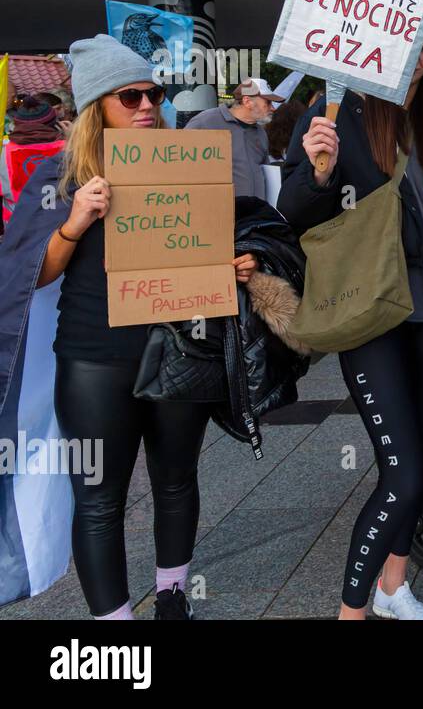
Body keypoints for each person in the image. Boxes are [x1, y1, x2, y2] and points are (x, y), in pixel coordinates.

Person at [14, 35, 258, 619]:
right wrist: (75, 222)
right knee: (98, 500)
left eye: (155, 93)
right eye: (131, 96)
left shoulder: (184, 164)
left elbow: (205, 246)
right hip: (94, 358)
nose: (148, 105)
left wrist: (234, 265)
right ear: (98, 104)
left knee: (176, 480)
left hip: (179, 347)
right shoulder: (59, 173)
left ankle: (173, 596)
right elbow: (33, 274)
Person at [279, 0, 423, 621]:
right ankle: (352, 612)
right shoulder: (333, 109)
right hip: (368, 309)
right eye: (411, 40)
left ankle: (394, 585)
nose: (420, 53)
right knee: (400, 470)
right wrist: (317, 172)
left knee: (414, 452)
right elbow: (290, 212)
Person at [184, 77, 282, 199]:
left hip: (256, 213)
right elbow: (183, 165)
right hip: (218, 212)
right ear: (247, 101)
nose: (273, 108)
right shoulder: (205, 122)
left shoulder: (261, 133)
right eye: (268, 102)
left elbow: (265, 171)